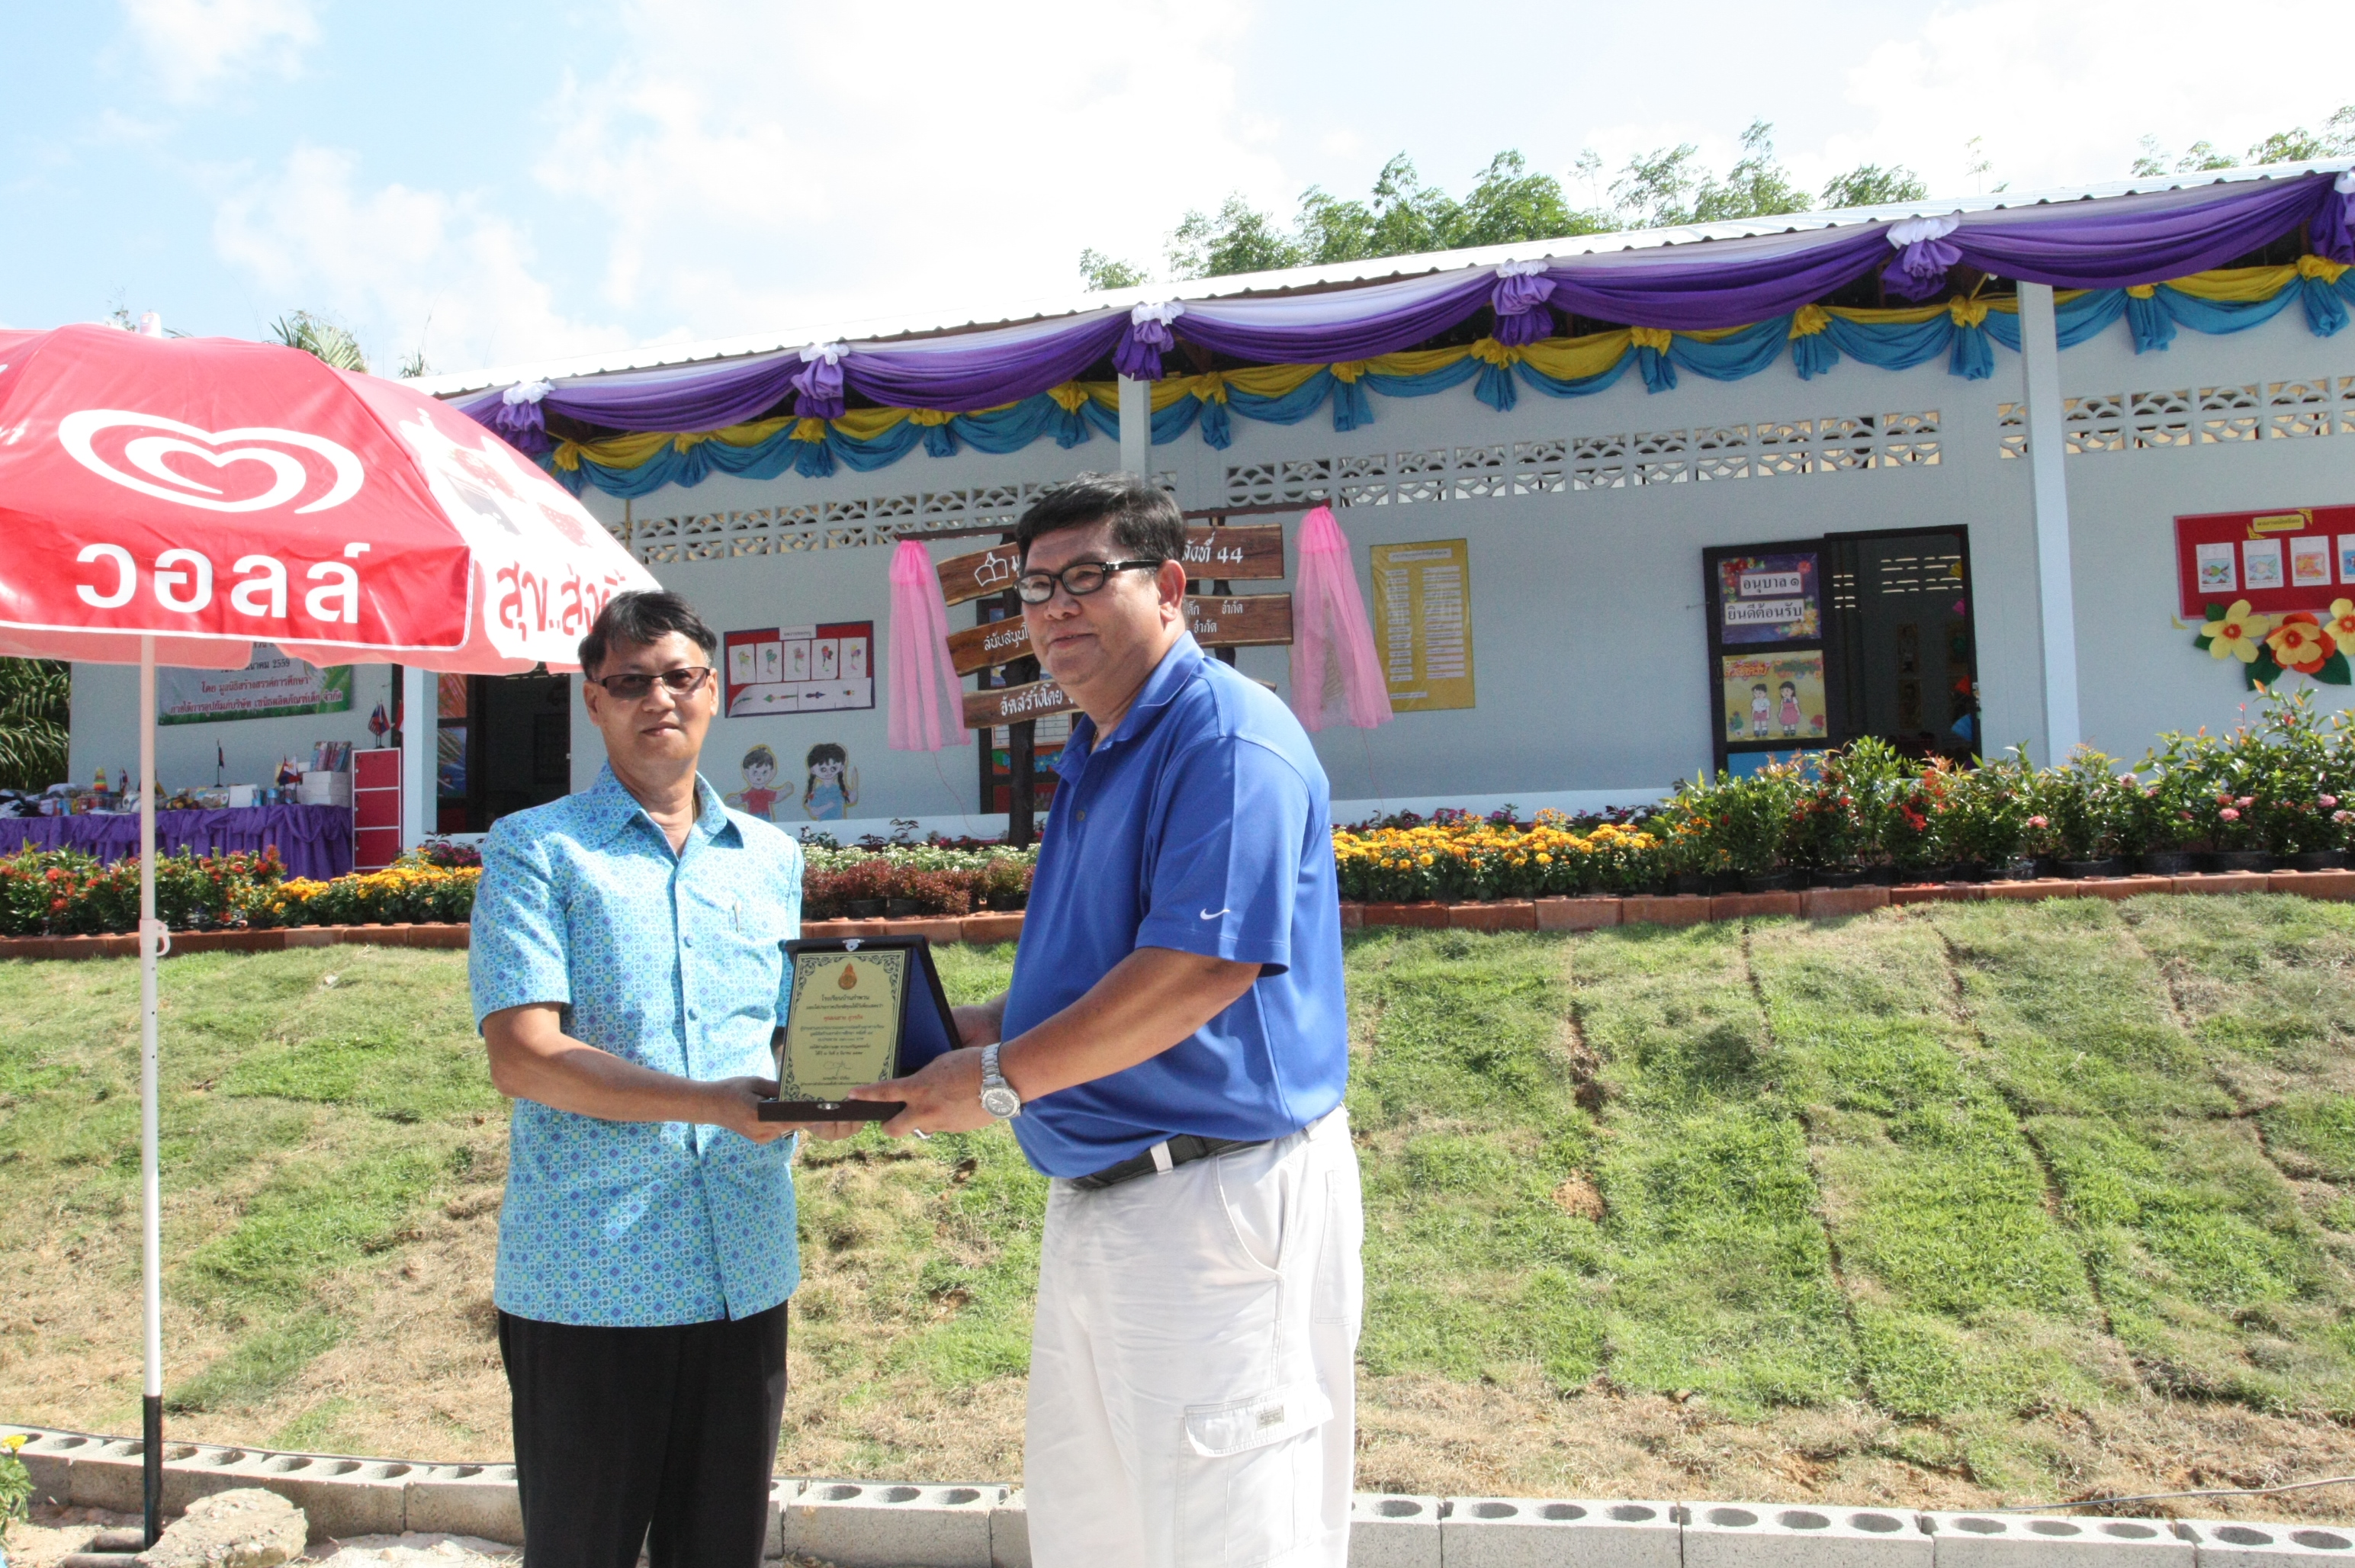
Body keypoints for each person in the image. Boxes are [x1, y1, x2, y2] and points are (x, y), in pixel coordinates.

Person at [853, 474, 1362, 1567]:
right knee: (1099, 1532)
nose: (1056, 608)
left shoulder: (1225, 738)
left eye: (1087, 577)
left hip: (1214, 1201)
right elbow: (1091, 978)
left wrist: (997, 1080)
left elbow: (1196, 971)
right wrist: (947, 1036)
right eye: (1036, 588)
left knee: (1226, 1537)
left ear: (1170, 587)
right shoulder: (1100, 745)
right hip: (1103, 1200)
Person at [470, 590, 833, 1568]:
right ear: (593, 701)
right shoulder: (537, 848)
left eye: (679, 677)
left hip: (743, 1266)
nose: (658, 698)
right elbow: (522, 1053)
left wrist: (836, 1090)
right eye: (630, 682)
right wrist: (710, 1103)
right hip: (592, 1277)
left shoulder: (770, 858)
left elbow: (788, 1032)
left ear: (714, 691)